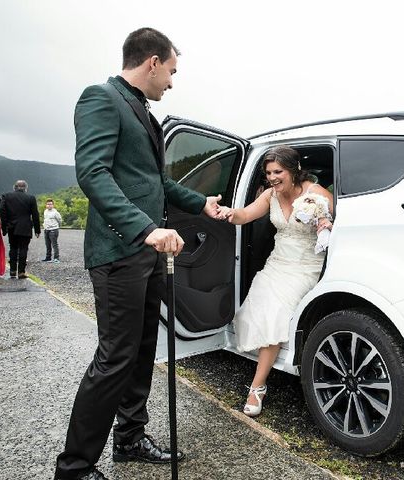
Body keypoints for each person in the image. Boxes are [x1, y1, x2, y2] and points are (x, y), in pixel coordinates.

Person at [54, 28, 222, 480]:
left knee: (143, 350)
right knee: (115, 357)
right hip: (118, 250)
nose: (171, 81)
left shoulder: (145, 114)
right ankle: (74, 467)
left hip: (144, 254)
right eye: (170, 71)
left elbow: (155, 182)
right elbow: (92, 173)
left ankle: (129, 438)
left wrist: (200, 202)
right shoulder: (101, 98)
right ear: (151, 62)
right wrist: (146, 230)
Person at [218, 145, 333, 417]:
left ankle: (257, 387)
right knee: (254, 307)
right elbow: (245, 215)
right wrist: (227, 213)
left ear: (293, 170)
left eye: (278, 171)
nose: (272, 177)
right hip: (277, 264)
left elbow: (337, 221)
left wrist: (324, 222)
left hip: (306, 267)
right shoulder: (270, 194)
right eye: (268, 172)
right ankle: (269, 363)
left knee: (274, 313)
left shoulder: (316, 194)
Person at [0, 180, 40, 279]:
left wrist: (5, 225)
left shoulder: (6, 196)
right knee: (23, 248)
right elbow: (35, 214)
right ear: (26, 188)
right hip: (25, 227)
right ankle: (21, 272)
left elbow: (0, 209)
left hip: (11, 226)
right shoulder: (31, 198)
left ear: (14, 187)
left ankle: (12, 270)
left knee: (13, 248)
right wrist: (37, 230)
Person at [42, 198, 62, 263]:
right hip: (46, 230)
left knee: (54, 244)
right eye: (48, 204)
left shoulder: (55, 213)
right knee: (47, 244)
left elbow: (60, 220)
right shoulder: (45, 211)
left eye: (50, 204)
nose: (49, 205)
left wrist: (56, 227)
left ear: (53, 205)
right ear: (46, 205)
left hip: (53, 230)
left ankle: (56, 258)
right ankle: (48, 258)